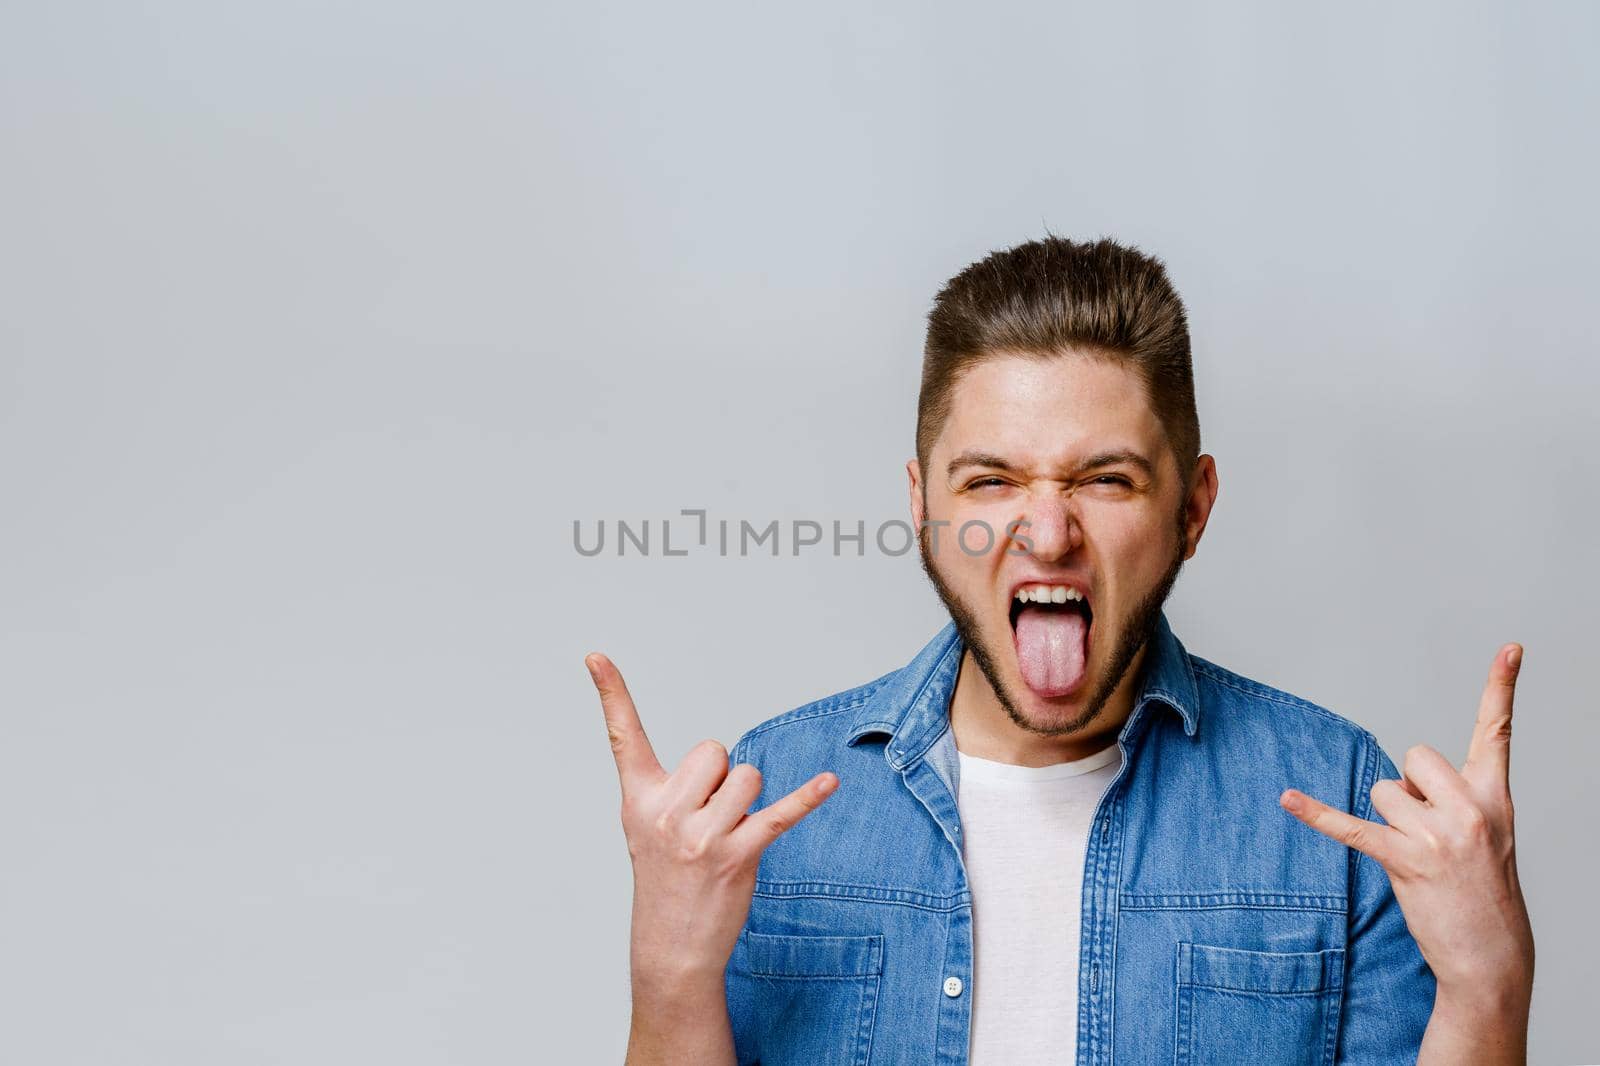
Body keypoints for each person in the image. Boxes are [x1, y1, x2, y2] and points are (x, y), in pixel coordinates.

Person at [587, 237, 1534, 1065]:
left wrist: (1488, 988)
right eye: (992, 479)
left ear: (1192, 509)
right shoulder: (762, 807)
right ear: (924, 507)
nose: (1046, 532)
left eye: (1106, 478)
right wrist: (668, 976)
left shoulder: (1341, 808)